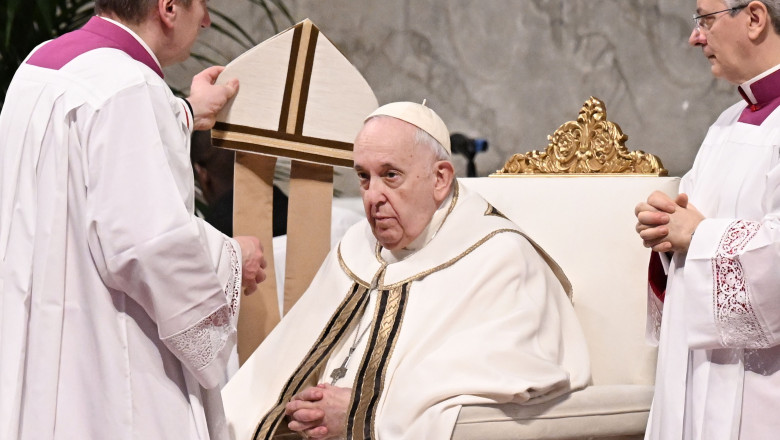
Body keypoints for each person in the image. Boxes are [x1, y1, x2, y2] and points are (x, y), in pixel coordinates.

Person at [222, 101, 591, 440]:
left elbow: (507, 371)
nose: (372, 196)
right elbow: (281, 363)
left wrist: (363, 411)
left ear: (440, 179)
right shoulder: (357, 247)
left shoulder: (499, 257)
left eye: (391, 175)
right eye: (364, 177)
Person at [0, 1, 268, 439]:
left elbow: (94, 172)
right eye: (201, 5)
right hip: (105, 362)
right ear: (168, 8)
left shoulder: (40, 66)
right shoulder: (129, 87)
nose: (207, 21)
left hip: (42, 346)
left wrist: (184, 113)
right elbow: (148, 243)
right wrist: (232, 258)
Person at [634, 1, 780, 438]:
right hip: (698, 370)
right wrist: (663, 228)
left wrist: (697, 235)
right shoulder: (726, 122)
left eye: (706, 20)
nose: (696, 37)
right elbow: (685, 224)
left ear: (754, 18)